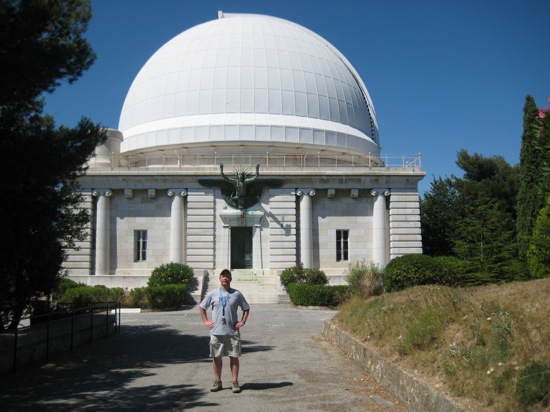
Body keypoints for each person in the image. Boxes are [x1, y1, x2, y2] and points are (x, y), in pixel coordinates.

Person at [199, 269, 250, 393]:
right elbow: (202, 307)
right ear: (219, 278)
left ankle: (235, 382)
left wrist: (242, 321)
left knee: (234, 357)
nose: (225, 278)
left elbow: (246, 308)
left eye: (227, 276)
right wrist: (206, 321)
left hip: (232, 331)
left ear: (230, 279)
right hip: (216, 331)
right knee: (216, 357)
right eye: (223, 276)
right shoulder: (213, 294)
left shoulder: (236, 294)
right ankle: (218, 381)